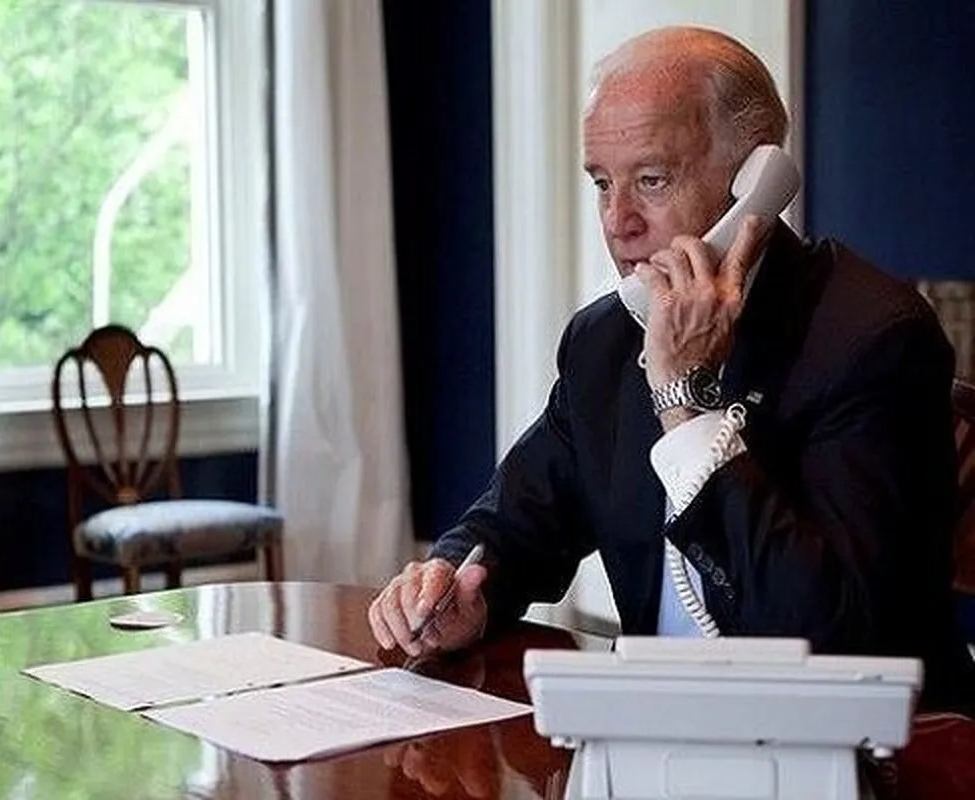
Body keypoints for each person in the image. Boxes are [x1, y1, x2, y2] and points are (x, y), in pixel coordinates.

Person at [368, 25, 975, 712]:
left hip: (867, 743)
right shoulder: (602, 340)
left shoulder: (873, 337)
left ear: (754, 181)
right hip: (653, 732)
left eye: (651, 180)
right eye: (603, 184)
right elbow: (513, 522)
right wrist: (455, 586)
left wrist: (684, 402)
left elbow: (829, 633)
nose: (617, 221)